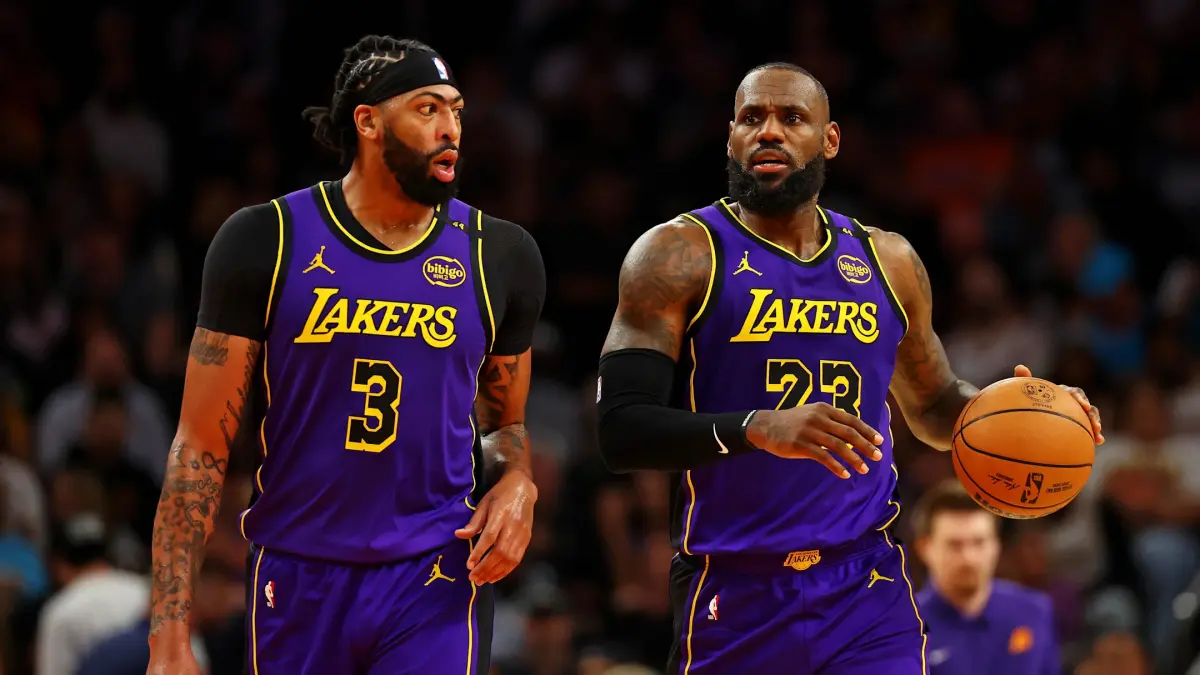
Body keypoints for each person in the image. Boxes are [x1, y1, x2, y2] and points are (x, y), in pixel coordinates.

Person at [594, 62, 1103, 674]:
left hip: (865, 585)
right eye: (752, 118)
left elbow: (937, 405)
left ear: (829, 140)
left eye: (792, 118)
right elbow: (622, 431)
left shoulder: (887, 260)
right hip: (736, 586)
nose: (769, 132)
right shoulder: (677, 254)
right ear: (730, 136)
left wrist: (1015, 412)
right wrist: (757, 427)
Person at [146, 35, 546, 675]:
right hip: (298, 571)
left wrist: (517, 481)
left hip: (435, 570)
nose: (451, 129)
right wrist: (167, 637)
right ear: (367, 122)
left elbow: (507, 425)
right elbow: (199, 447)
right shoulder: (265, 240)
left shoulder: (500, 254)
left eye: (456, 109)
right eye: (426, 109)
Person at [914, 480, 1059, 675]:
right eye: (954, 545)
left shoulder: (1034, 611)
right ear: (925, 548)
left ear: (996, 545)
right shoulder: (905, 628)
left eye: (979, 542)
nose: (969, 558)